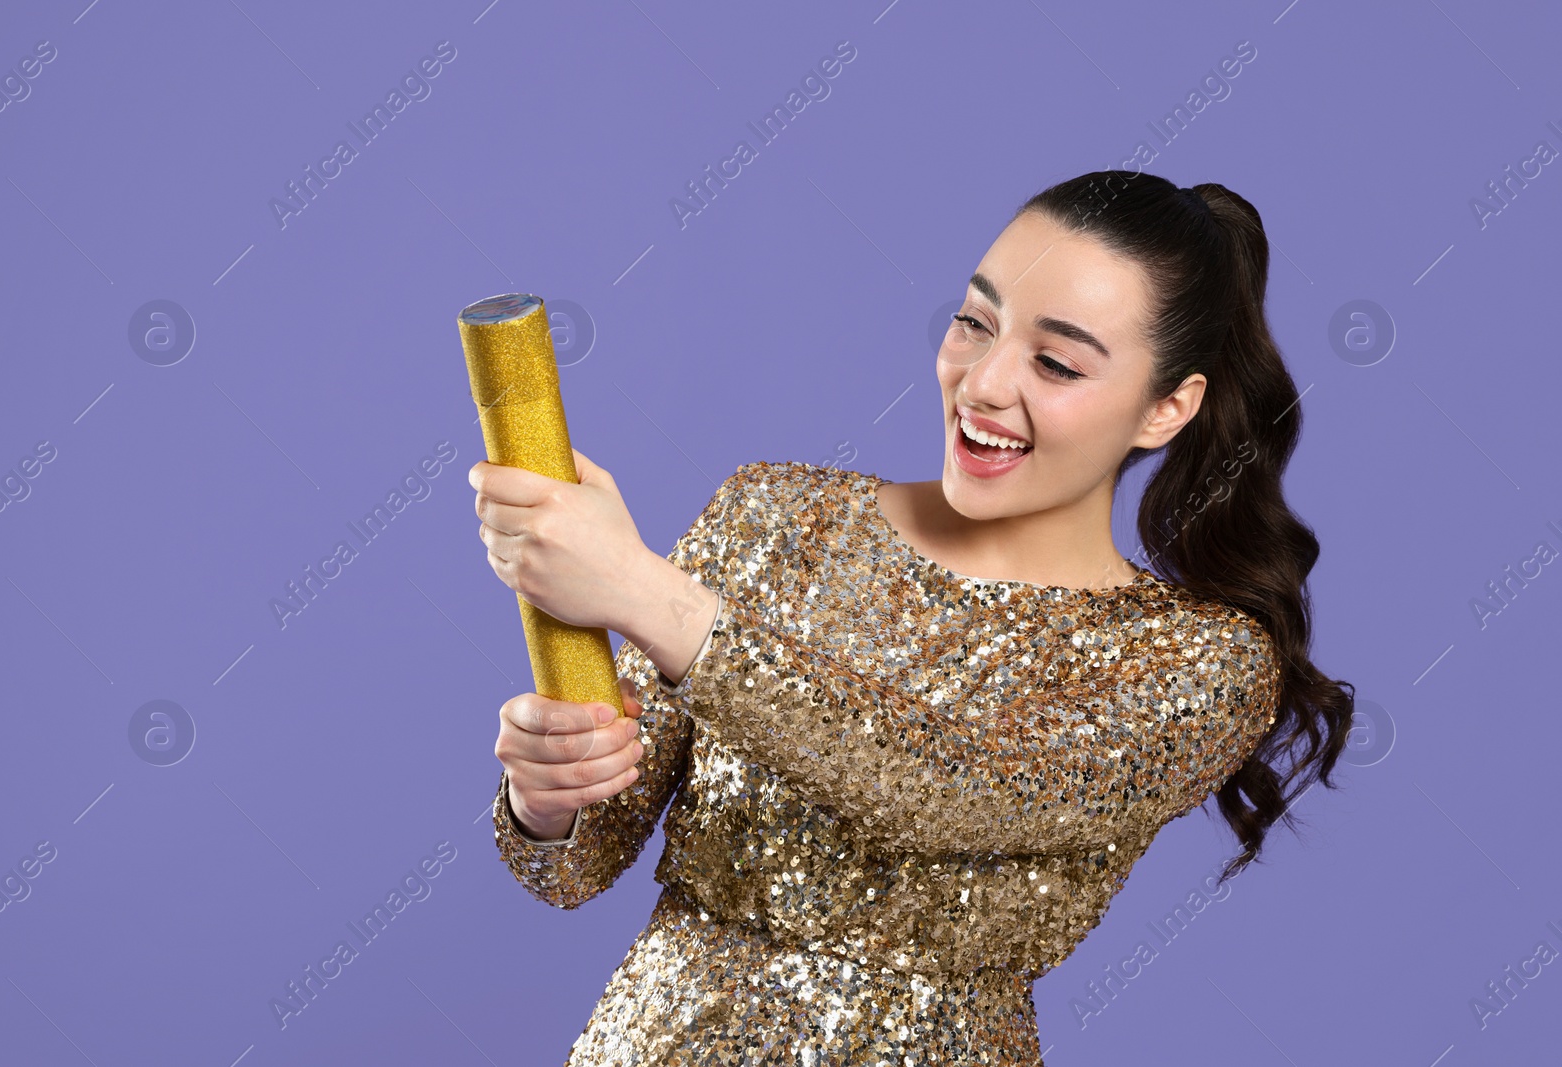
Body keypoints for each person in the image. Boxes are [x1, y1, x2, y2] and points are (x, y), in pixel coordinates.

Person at [468, 170, 1355, 1066]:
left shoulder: (1194, 662)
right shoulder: (774, 518)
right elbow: (574, 868)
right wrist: (548, 800)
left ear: (1167, 408)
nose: (985, 382)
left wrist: (647, 596)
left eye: (1056, 362)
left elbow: (962, 787)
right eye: (976, 321)